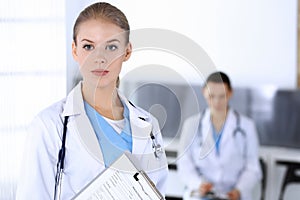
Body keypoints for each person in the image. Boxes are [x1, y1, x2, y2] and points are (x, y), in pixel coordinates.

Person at [16, 2, 168, 199]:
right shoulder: (48, 126)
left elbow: (157, 193)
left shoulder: (148, 125)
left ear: (127, 52)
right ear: (75, 50)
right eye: (88, 46)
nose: (100, 58)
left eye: (111, 47)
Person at [177, 71, 261, 200]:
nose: (216, 102)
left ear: (230, 93)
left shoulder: (246, 126)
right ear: (204, 92)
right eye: (212, 96)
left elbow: (252, 167)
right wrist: (198, 184)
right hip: (201, 194)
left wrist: (239, 190)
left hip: (233, 194)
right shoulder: (191, 125)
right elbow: (184, 164)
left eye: (222, 96)